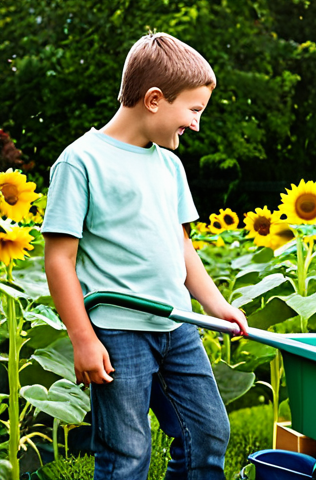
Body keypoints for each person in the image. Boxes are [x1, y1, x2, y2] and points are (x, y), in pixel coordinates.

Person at [42, 32, 248, 480]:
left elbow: (182, 245)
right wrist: (82, 338)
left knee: (208, 433)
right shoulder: (81, 162)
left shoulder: (169, 166)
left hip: (178, 325)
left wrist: (218, 306)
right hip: (117, 332)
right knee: (127, 453)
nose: (196, 124)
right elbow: (59, 259)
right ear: (154, 99)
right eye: (193, 111)